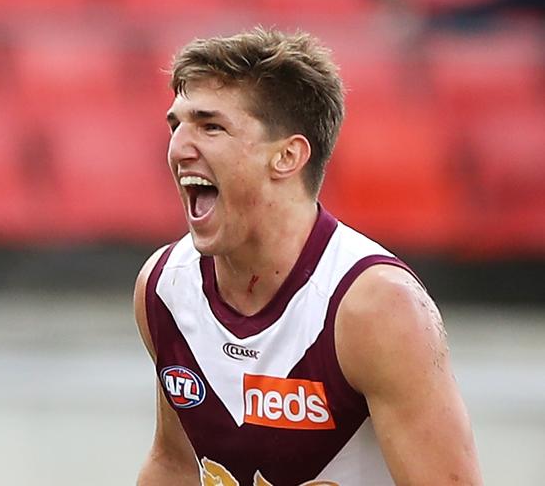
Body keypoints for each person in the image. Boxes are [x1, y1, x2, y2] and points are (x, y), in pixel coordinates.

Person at [134, 27, 482, 486]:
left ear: (287, 157)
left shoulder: (376, 307)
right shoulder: (164, 287)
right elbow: (175, 462)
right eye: (176, 125)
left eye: (210, 126)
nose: (178, 149)